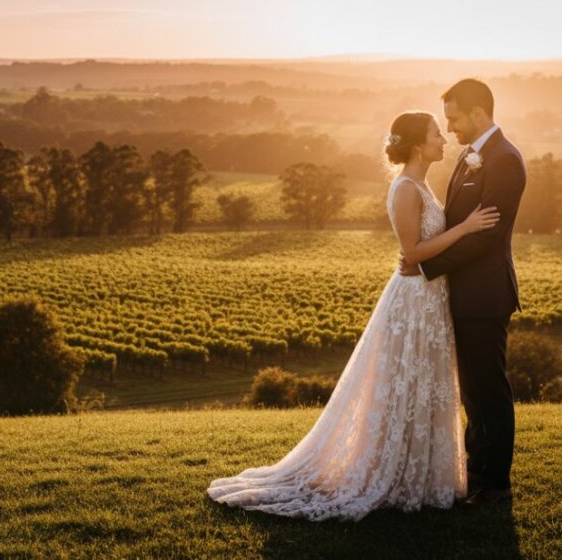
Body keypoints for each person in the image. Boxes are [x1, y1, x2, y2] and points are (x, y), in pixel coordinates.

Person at [207, 110, 500, 521]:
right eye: (437, 133)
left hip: (431, 299)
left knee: (422, 384)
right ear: (418, 144)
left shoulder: (422, 183)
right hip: (413, 301)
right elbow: (413, 253)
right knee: (402, 384)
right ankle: (388, 473)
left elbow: (422, 250)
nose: (444, 138)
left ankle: (421, 475)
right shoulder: (404, 188)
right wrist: (466, 228)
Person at [400, 78, 526, 505]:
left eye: (453, 118)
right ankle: (476, 470)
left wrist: (426, 262)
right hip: (462, 293)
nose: (449, 127)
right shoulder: (472, 156)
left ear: (478, 114)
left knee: (489, 388)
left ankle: (496, 485)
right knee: (472, 389)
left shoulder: (505, 160)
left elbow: (484, 237)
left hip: (486, 295)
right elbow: (457, 225)